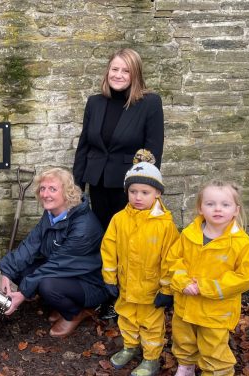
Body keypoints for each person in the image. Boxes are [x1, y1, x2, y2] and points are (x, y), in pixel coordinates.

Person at [73, 47, 164, 320]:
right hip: (97, 183)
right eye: (115, 69)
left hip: (128, 188)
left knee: (127, 245)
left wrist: (143, 190)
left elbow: (153, 151)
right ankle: (104, 292)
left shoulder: (149, 103)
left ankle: (123, 298)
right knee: (103, 242)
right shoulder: (95, 102)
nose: (119, 74)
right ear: (107, 71)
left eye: (126, 70)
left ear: (135, 74)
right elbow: (84, 147)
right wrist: (76, 186)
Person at [0, 168, 108, 338]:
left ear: (67, 193)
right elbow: (31, 244)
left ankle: (75, 313)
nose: (45, 194)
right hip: (64, 270)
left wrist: (22, 293)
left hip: (89, 281)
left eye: (52, 189)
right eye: (42, 188)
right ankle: (62, 304)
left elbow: (57, 265)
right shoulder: (51, 213)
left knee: (46, 285)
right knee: (23, 272)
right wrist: (7, 271)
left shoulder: (83, 227)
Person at [167, 180, 249, 376]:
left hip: (216, 311)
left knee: (214, 348)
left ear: (236, 210)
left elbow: (247, 275)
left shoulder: (239, 242)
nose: (217, 209)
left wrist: (206, 287)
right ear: (200, 208)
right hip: (186, 303)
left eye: (225, 204)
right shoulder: (189, 234)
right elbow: (173, 260)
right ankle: (186, 366)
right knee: (183, 338)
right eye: (210, 204)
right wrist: (182, 282)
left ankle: (217, 372)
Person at [100, 150, 179, 376]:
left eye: (145, 192)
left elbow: (171, 259)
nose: (138, 197)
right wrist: (109, 278)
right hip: (126, 286)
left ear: (157, 194)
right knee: (126, 319)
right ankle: (130, 347)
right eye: (133, 191)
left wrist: (167, 289)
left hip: (151, 290)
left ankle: (151, 359)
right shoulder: (119, 219)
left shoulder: (165, 225)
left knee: (151, 326)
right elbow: (109, 249)